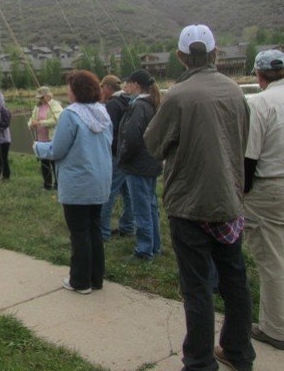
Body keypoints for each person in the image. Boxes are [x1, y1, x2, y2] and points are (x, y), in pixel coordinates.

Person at [144, 24, 255, 370]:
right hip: (229, 202)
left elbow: (152, 144)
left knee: (197, 288)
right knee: (235, 280)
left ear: (180, 56)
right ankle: (238, 352)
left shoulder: (177, 95)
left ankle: (200, 361)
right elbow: (243, 140)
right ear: (215, 53)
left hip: (188, 206)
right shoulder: (235, 92)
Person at [33, 71, 112, 295]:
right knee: (94, 229)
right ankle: (96, 279)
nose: (66, 91)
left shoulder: (70, 115)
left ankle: (80, 281)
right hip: (100, 181)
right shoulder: (103, 113)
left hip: (78, 184)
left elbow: (57, 149)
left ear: (77, 90)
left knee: (79, 232)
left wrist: (38, 147)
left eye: (69, 87)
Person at [243, 48, 284, 351]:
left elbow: (249, 158)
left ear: (259, 75)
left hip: (270, 188)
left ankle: (276, 328)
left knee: (272, 260)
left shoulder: (261, 103)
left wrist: (240, 193)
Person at [117, 69, 163, 261]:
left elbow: (133, 136)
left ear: (136, 84)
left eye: (129, 82)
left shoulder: (139, 106)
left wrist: (123, 158)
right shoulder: (152, 103)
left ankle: (144, 251)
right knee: (151, 206)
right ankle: (155, 246)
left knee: (141, 208)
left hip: (138, 165)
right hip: (150, 162)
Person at [99, 75, 135, 241]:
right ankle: (128, 226)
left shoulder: (112, 104)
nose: (100, 91)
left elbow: (110, 132)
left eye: (101, 87)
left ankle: (103, 232)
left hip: (116, 156)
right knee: (128, 193)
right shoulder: (128, 100)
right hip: (128, 154)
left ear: (107, 87)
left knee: (109, 193)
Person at [28, 86, 63, 190]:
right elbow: (32, 119)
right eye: (39, 97)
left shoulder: (55, 105)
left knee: (55, 163)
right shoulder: (37, 107)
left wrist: (40, 123)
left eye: (42, 97)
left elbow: (56, 119)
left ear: (48, 96)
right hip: (40, 140)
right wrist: (31, 124)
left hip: (52, 139)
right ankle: (47, 185)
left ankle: (58, 185)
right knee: (44, 164)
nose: (40, 99)